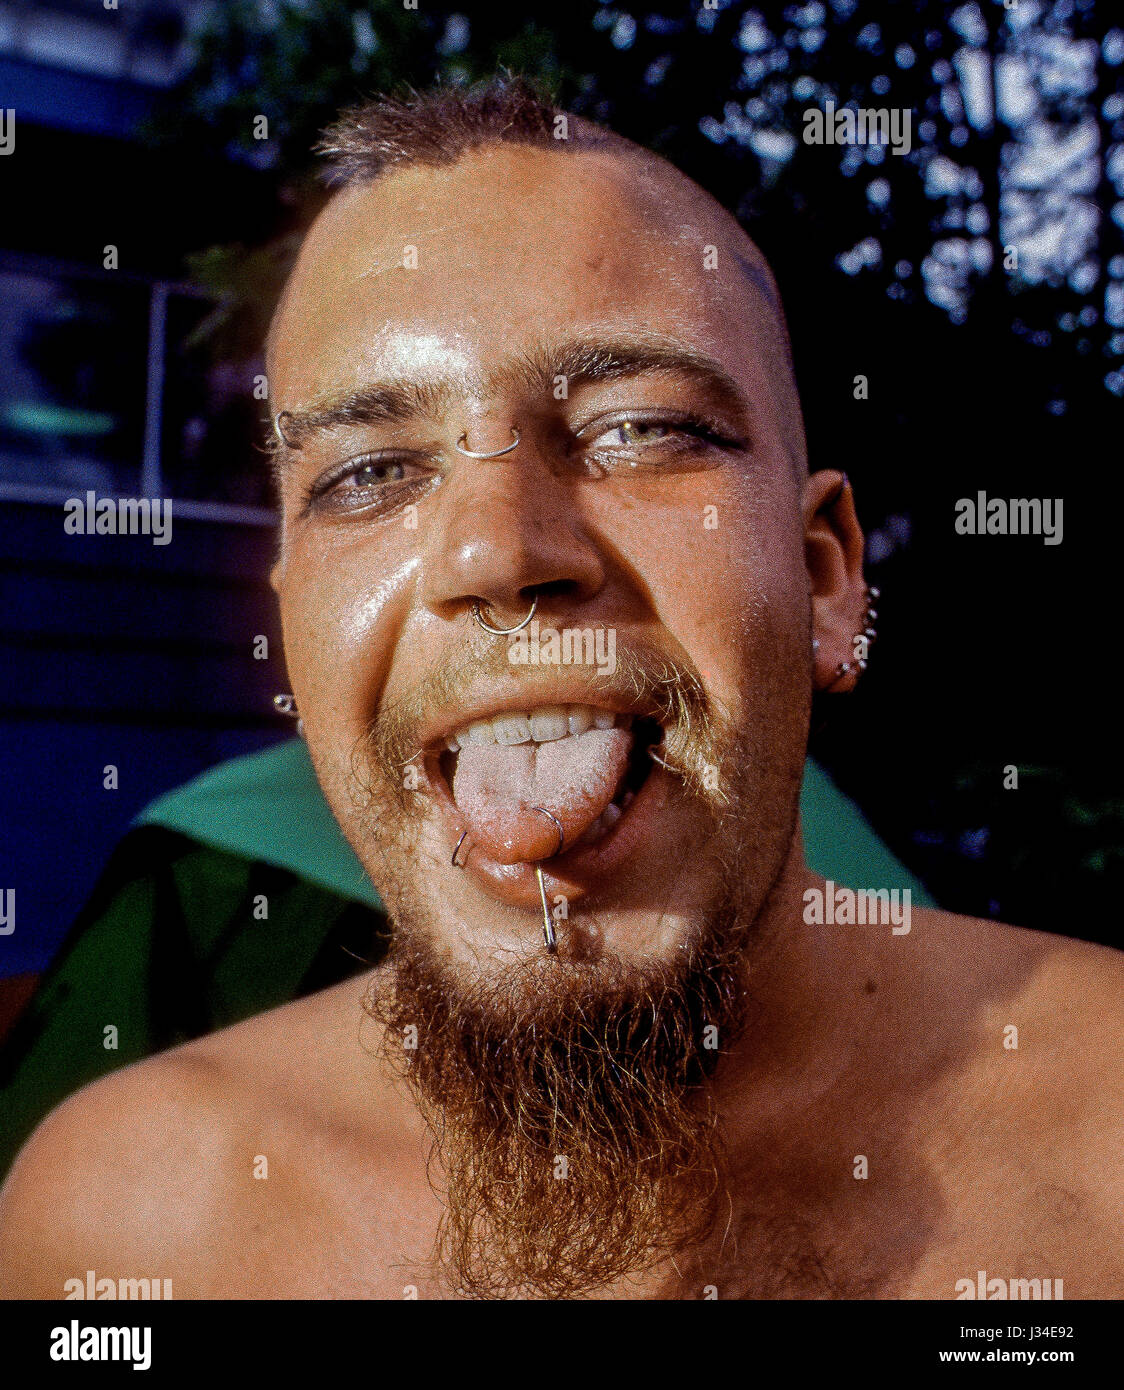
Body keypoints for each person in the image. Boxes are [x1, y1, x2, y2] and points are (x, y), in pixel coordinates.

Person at [1, 78, 1120, 1301]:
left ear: (823, 582)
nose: (497, 553)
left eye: (638, 428)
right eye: (369, 471)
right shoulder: (118, 1227)